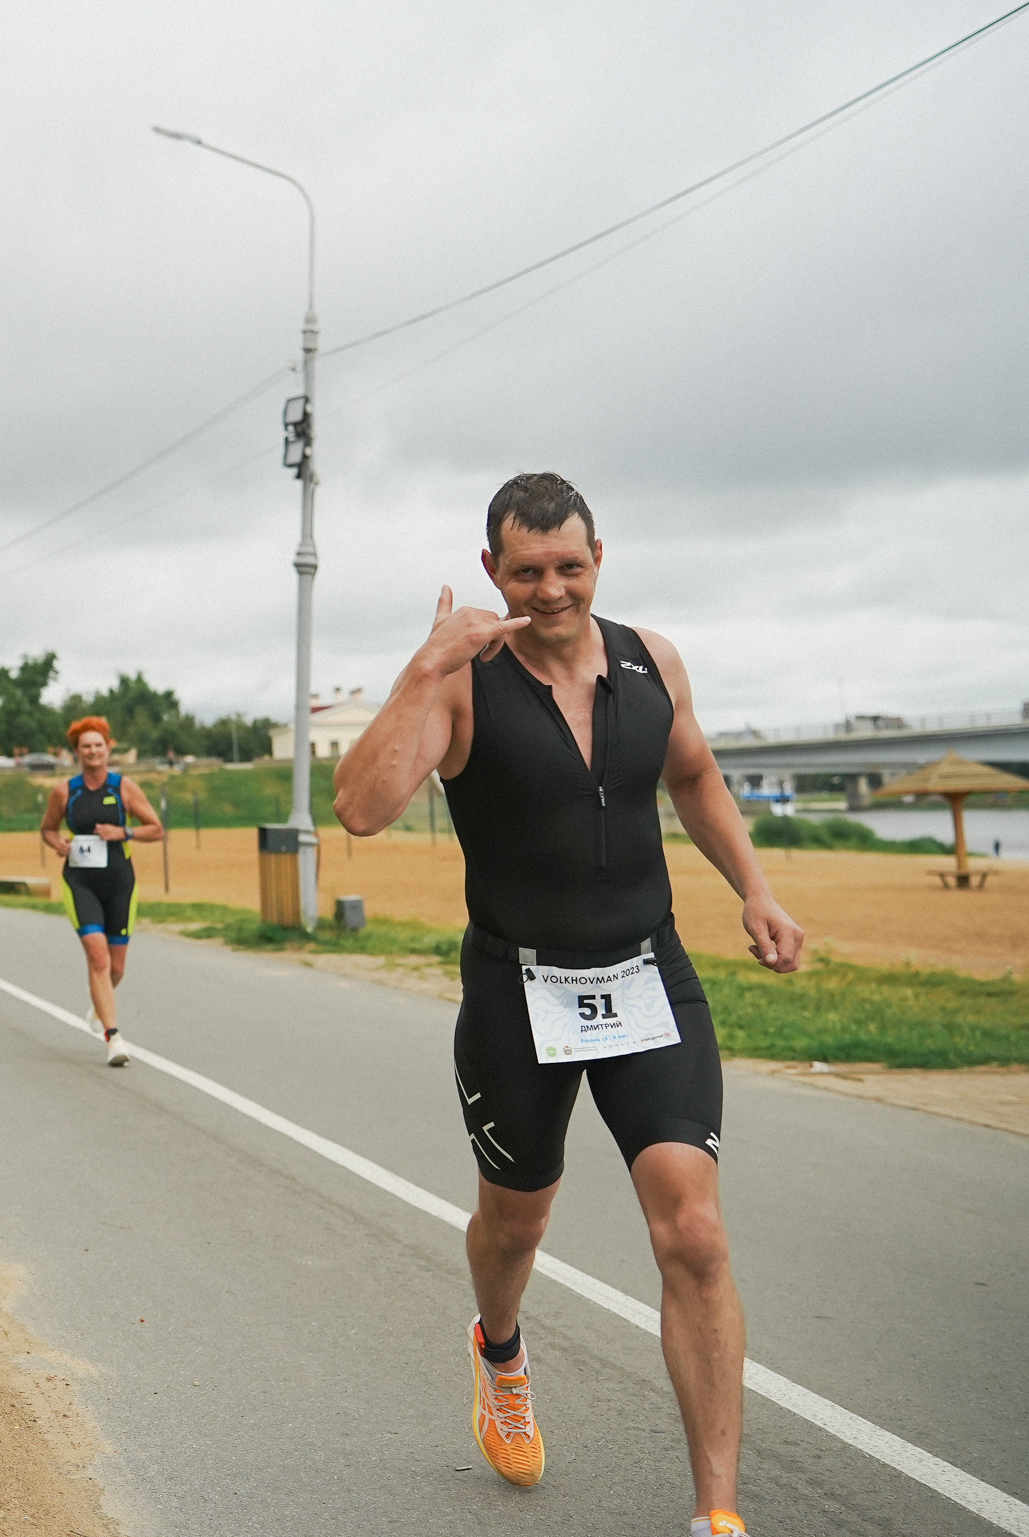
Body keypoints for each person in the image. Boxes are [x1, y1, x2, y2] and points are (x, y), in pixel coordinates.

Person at [334, 473, 803, 1537]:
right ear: (493, 570)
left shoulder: (652, 661)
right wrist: (425, 662)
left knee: (693, 1226)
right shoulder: (463, 681)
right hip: (518, 987)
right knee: (518, 1219)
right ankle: (499, 1347)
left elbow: (694, 779)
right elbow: (360, 808)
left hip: (648, 973)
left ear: (601, 557)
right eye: (529, 571)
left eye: (571, 567)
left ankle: (716, 1514)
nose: (552, 591)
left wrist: (758, 891)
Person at [38, 715, 163, 1067]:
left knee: (117, 968)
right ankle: (114, 1039)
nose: (92, 751)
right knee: (98, 958)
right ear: (76, 752)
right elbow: (47, 829)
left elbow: (156, 829)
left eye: (98, 745)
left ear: (108, 748)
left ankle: (100, 1001)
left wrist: (123, 833)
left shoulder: (124, 788)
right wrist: (57, 843)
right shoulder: (65, 791)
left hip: (120, 882)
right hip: (80, 881)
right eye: (85, 746)